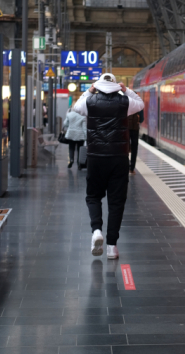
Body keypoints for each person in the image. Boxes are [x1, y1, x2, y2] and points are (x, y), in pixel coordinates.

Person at [74, 73, 144, 259]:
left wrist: (88, 91)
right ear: (115, 85)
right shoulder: (124, 103)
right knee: (116, 202)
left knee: (93, 196)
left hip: (96, 157)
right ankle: (112, 246)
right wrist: (126, 90)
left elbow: (77, 108)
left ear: (98, 85)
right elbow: (140, 103)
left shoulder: (91, 101)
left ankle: (96, 230)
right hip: (119, 158)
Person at [128, 107, 143, 175]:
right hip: (135, 128)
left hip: (125, 128)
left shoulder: (124, 100)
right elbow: (141, 118)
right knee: (134, 147)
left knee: (124, 147)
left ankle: (125, 166)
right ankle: (132, 168)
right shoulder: (138, 103)